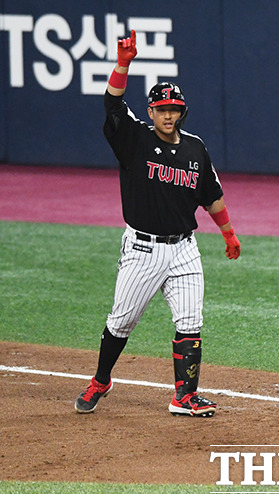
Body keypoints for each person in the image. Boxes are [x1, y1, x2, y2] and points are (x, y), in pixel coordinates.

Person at [75, 30, 241, 417]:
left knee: (191, 320)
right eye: (162, 109)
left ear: (182, 112)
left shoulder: (195, 148)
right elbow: (112, 103)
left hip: (185, 249)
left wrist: (229, 233)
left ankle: (184, 396)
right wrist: (123, 64)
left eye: (174, 109)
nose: (168, 115)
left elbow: (212, 196)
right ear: (150, 112)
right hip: (142, 249)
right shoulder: (134, 140)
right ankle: (101, 379)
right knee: (121, 322)